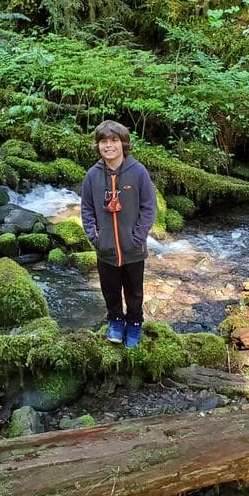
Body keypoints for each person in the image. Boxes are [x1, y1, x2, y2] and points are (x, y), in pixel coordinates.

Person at [80, 120, 157, 349]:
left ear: (123, 144)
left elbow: (149, 207)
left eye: (114, 140)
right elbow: (87, 209)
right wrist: (96, 238)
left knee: (134, 291)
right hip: (106, 250)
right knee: (110, 290)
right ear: (98, 146)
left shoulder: (138, 171)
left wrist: (138, 236)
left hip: (133, 249)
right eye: (103, 141)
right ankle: (115, 321)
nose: (109, 146)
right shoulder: (92, 175)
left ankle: (134, 323)